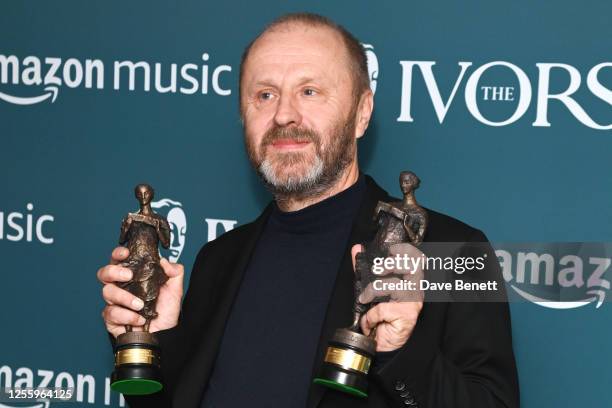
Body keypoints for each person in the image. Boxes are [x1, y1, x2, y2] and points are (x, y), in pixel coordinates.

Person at [97, 13, 519, 408]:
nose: (283, 114)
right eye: (264, 95)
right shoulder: (218, 259)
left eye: (309, 91)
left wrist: (401, 352)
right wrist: (157, 346)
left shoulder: (451, 251)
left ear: (361, 113)